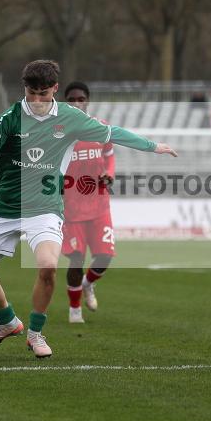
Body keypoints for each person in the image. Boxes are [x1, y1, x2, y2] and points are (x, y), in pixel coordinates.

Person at [0, 60, 177, 359]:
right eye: (31, 93)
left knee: (48, 266)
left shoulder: (70, 118)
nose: (36, 100)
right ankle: (9, 323)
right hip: (7, 208)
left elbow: (113, 133)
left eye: (42, 93)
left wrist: (153, 146)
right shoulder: (9, 118)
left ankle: (36, 335)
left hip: (45, 208)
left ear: (54, 89)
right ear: (24, 89)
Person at [60, 82, 115, 324]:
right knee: (76, 259)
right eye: (72, 99)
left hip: (99, 204)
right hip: (72, 208)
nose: (76, 103)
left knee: (104, 257)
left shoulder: (100, 128)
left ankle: (88, 284)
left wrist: (109, 174)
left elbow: (109, 157)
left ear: (87, 101)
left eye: (81, 99)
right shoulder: (58, 132)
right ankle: (75, 310)